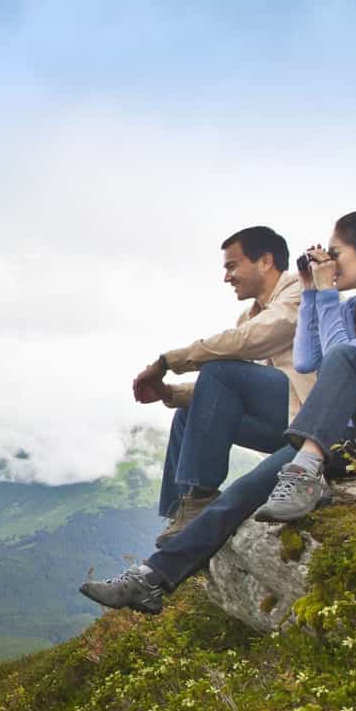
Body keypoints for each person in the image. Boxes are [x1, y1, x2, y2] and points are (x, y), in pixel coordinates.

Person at [82, 210, 356, 613]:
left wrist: (323, 292)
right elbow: (310, 359)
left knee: (340, 367)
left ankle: (303, 471)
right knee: (242, 492)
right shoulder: (347, 311)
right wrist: (315, 293)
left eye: (336, 252)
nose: (327, 261)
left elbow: (341, 359)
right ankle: (151, 578)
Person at [134, 227, 313, 548]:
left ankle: (201, 495)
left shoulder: (299, 291)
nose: (227, 277)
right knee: (189, 412)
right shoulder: (250, 313)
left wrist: (167, 361)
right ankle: (183, 512)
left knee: (220, 367)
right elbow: (227, 392)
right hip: (279, 417)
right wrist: (171, 394)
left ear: (266, 261)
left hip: (307, 415)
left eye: (232, 266)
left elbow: (251, 342)